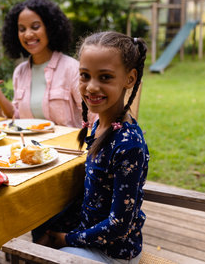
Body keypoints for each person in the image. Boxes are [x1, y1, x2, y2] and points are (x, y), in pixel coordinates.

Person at [34, 31, 149, 264]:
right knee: (38, 225)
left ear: (130, 78)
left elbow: (118, 227)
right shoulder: (98, 125)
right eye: (84, 76)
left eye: (105, 77)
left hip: (113, 252)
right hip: (89, 235)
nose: (91, 87)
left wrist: (66, 239)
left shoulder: (128, 145)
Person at [0, 0, 88, 128]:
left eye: (35, 27)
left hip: (67, 147)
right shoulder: (20, 72)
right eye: (22, 29)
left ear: (50, 28)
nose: (28, 34)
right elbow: (18, 119)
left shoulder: (72, 68)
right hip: (32, 147)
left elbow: (92, 118)